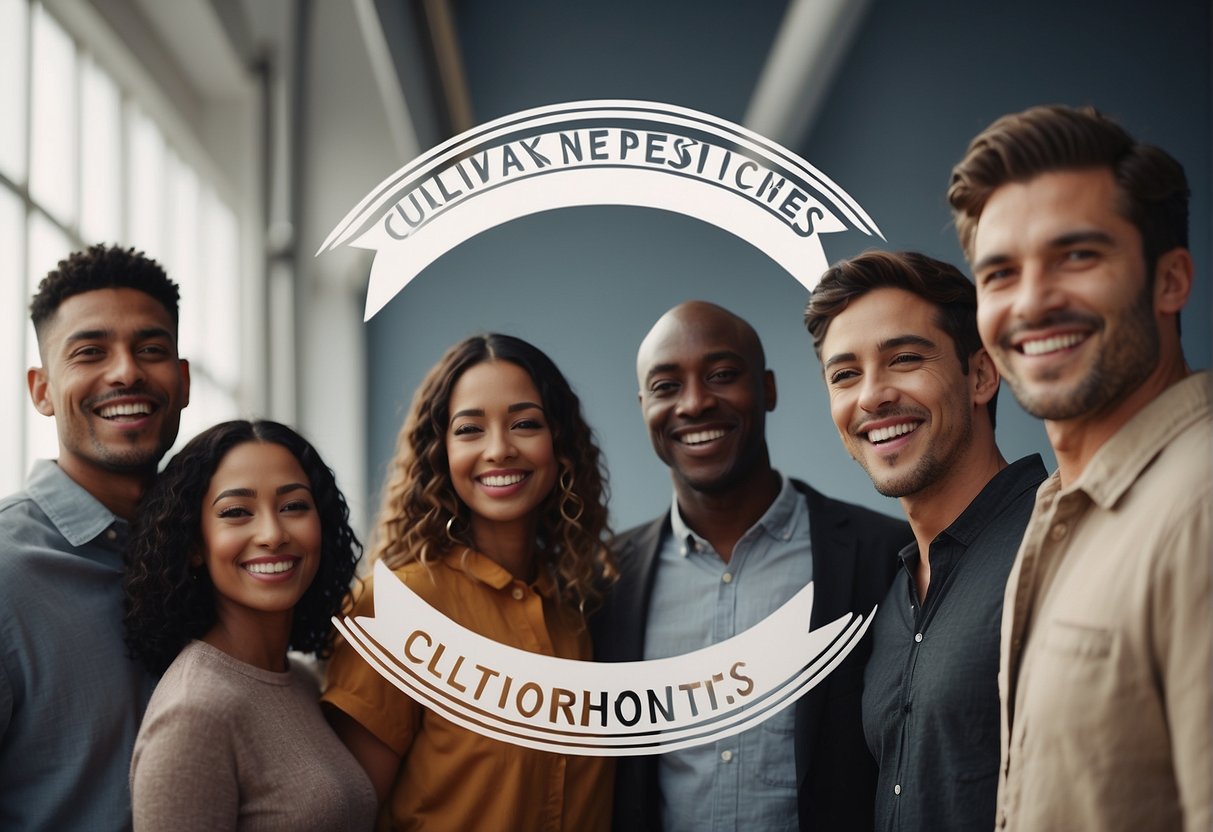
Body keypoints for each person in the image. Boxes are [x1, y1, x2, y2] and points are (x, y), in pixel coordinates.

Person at [948, 104, 1211, 831]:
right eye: (999, 273)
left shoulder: (1200, 508)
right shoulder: (1060, 507)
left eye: (1077, 256)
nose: (1031, 302)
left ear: (1169, 281)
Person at [590, 300, 911, 832]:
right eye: (667, 386)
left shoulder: (884, 555)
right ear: (643, 406)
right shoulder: (605, 581)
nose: (694, 403)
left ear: (767, 389)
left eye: (721, 375)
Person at [323, 333, 617, 830]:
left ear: (560, 444)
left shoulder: (576, 614)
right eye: (470, 429)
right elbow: (349, 817)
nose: (499, 449)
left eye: (525, 423)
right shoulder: (392, 610)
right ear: (439, 452)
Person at [804, 250, 1047, 831]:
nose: (871, 396)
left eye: (904, 359)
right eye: (844, 375)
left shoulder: (1058, 541)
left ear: (981, 375)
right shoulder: (891, 598)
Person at [0, 244, 191, 830]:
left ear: (182, 382)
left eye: (151, 349)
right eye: (89, 352)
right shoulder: (6, 572)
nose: (126, 371)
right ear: (42, 390)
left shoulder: (217, 553)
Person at [123, 419, 376, 830]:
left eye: (294, 506)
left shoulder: (301, 681)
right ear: (194, 546)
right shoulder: (193, 715)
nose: (273, 534)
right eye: (237, 512)